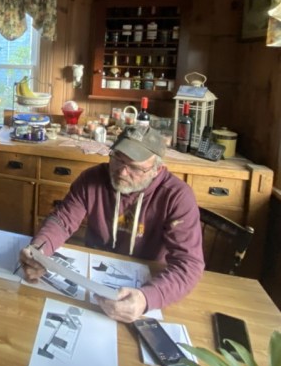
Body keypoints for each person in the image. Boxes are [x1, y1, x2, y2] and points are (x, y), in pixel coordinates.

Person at [19, 125, 204, 323]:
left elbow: (189, 264)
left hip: (146, 281)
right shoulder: (92, 178)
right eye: (117, 159)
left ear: (157, 169)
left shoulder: (177, 196)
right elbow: (63, 220)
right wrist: (40, 249)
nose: (122, 172)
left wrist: (146, 299)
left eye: (134, 167)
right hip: (94, 277)